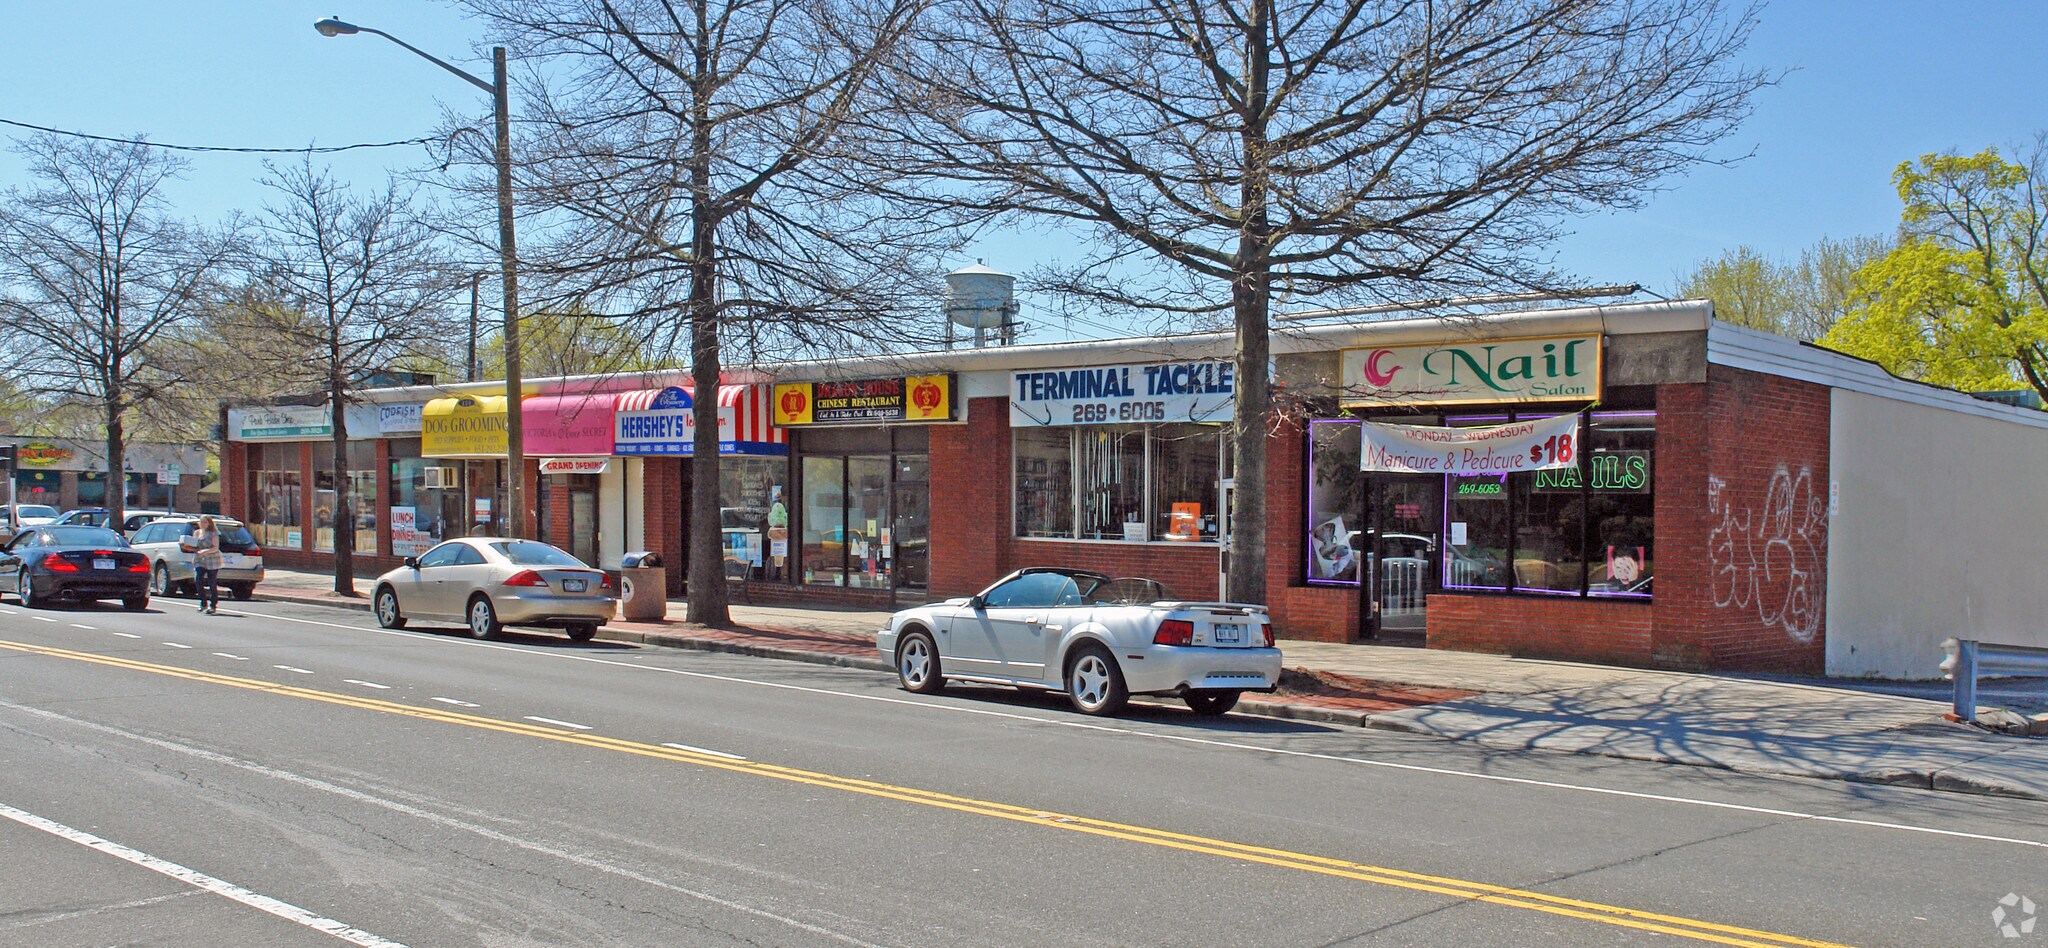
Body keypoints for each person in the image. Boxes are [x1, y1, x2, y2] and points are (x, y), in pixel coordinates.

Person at [186, 515, 224, 614]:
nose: (203, 524)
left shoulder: (213, 533)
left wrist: (205, 551)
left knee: (212, 582)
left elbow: (215, 547)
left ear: (209, 523)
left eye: (205, 522)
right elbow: (195, 547)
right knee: (198, 580)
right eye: (201, 522)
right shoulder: (197, 533)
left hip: (212, 559)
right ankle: (203, 603)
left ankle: (213, 605)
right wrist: (187, 547)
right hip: (200, 559)